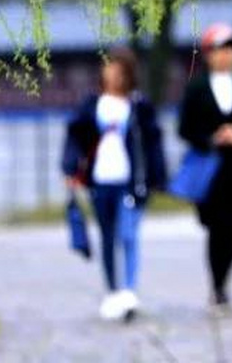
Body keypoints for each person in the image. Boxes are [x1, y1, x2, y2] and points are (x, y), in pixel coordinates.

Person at [62, 45, 167, 321]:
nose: (113, 75)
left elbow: (153, 143)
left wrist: (158, 176)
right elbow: (75, 138)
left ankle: (129, 291)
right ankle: (112, 290)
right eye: (109, 69)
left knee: (128, 234)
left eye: (120, 70)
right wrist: (70, 168)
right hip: (100, 181)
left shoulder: (139, 106)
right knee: (107, 237)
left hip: (129, 182)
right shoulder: (91, 104)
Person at [178, 23, 232, 307]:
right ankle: (216, 283)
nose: (226, 54)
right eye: (220, 49)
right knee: (216, 227)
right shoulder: (197, 88)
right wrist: (211, 138)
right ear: (208, 54)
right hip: (209, 166)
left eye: (231, 48)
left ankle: (224, 281)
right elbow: (185, 128)